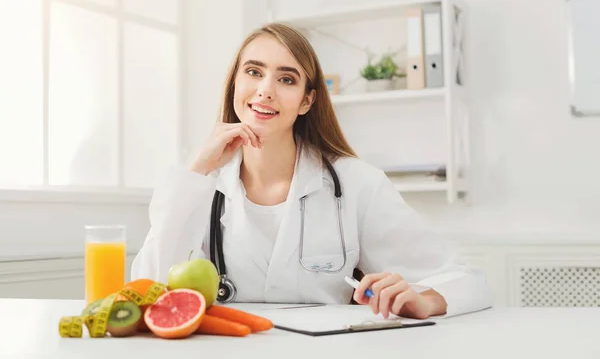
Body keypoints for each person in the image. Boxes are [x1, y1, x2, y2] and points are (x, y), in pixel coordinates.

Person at [131, 22, 492, 320]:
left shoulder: (356, 183)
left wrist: (425, 300)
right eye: (253, 72)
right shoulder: (201, 185)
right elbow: (146, 288)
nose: (265, 90)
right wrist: (197, 170)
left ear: (307, 100)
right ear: (235, 85)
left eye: (286, 79)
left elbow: (467, 280)